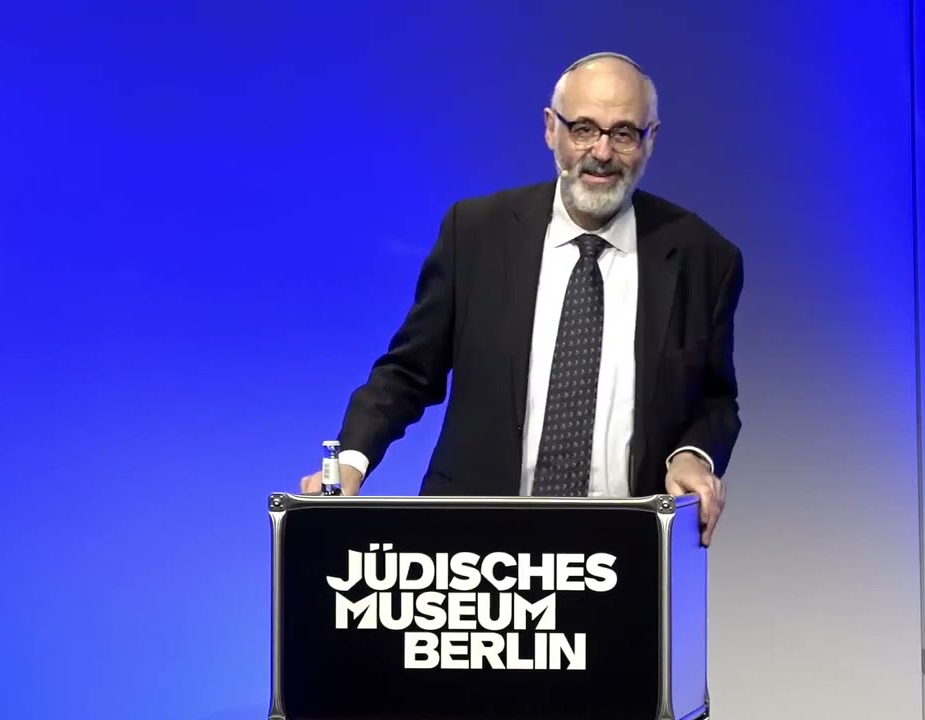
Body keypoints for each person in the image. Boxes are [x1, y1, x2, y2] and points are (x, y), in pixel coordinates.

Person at [299, 52, 743, 546]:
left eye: (623, 134)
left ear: (650, 139)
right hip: (474, 545)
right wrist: (351, 462)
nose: (601, 152)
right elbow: (407, 372)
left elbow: (715, 398)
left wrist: (693, 455)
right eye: (583, 129)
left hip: (624, 551)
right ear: (551, 129)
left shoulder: (703, 257)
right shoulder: (475, 234)